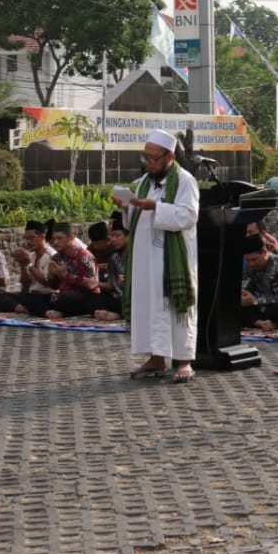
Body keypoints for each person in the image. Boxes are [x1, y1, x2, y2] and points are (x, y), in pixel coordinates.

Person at [117, 129, 200, 384]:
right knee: (148, 308)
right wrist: (126, 208)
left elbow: (188, 216)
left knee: (174, 308)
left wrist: (156, 207)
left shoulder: (185, 181)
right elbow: (134, 222)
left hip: (171, 260)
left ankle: (183, 361)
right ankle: (155, 358)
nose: (149, 163)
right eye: (146, 158)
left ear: (169, 157)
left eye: (154, 158)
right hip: (144, 261)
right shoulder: (144, 182)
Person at [240, 233, 278, 331]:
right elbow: (245, 290)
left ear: (264, 252)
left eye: (254, 260)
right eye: (248, 260)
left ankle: (270, 323)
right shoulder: (249, 266)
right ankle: (261, 323)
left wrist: (256, 301)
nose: (251, 264)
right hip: (261, 308)